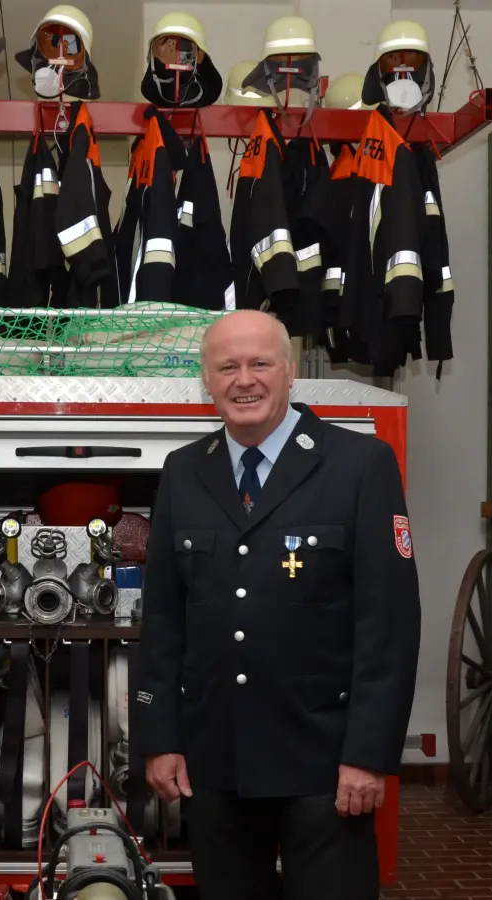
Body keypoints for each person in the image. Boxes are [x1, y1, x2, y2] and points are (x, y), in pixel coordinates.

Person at [132, 309, 421, 900]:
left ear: (289, 373)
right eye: (227, 367)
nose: (245, 380)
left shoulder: (360, 466)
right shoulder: (183, 472)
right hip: (217, 766)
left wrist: (368, 755)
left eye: (260, 363)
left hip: (323, 766)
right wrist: (160, 738)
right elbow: (163, 619)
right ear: (206, 382)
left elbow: (388, 625)